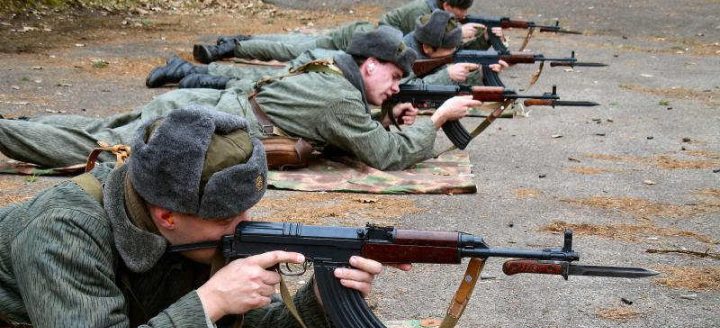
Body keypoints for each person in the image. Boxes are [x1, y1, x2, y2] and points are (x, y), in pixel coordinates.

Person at [0, 105, 399, 328]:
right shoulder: (64, 232)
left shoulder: (193, 233)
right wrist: (209, 303)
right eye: (227, 218)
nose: (245, 227)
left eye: (247, 210)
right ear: (166, 216)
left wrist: (322, 302)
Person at [0, 26, 483, 171]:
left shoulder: (329, 67)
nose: (398, 85)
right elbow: (386, 155)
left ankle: (22, 122)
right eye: (394, 76)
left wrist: (384, 110)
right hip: (201, 122)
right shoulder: (339, 98)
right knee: (93, 150)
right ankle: (10, 133)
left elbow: (337, 117)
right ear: (370, 65)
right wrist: (435, 120)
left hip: (206, 109)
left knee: (95, 128)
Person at [146, 11, 504, 90]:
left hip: (349, 53)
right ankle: (202, 63)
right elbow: (411, 83)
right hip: (343, 50)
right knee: (279, 65)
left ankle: (198, 70)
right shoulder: (402, 54)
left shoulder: (418, 46)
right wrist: (445, 75)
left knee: (272, 72)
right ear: (428, 46)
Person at [192, 0, 505, 64]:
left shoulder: (436, 17)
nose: (461, 17)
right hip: (363, 40)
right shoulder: (421, 13)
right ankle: (232, 46)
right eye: (458, 13)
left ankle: (240, 42)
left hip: (367, 38)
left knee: (297, 43)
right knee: (294, 50)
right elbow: (433, 47)